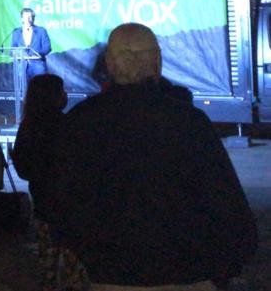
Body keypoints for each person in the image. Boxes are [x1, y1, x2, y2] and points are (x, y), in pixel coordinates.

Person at [54, 23, 257, 291]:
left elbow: (61, 200)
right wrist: (227, 264)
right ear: (157, 62)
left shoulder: (81, 121)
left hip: (110, 273)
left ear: (110, 65)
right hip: (187, 272)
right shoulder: (189, 122)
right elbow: (224, 200)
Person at [10, 74, 88, 291]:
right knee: (73, 262)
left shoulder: (29, 126)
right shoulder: (67, 124)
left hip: (43, 201)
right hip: (69, 204)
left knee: (48, 261)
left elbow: (24, 168)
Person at [10, 7, 52, 83]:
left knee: (40, 88)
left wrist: (37, 54)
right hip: (21, 66)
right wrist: (14, 53)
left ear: (33, 18)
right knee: (24, 89)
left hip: (38, 65)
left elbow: (47, 47)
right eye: (26, 17)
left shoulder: (41, 31)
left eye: (30, 17)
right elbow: (13, 48)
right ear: (22, 19)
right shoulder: (16, 32)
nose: (28, 19)